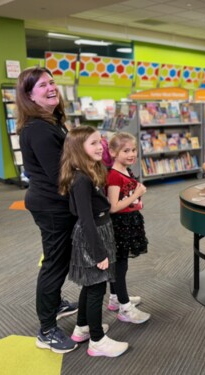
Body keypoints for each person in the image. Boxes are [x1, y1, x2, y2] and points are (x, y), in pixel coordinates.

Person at [16, 67, 79, 353]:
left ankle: (55, 304)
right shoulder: (39, 129)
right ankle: (47, 329)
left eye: (52, 82)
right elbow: (60, 173)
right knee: (55, 262)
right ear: (29, 95)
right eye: (42, 85)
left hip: (56, 201)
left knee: (59, 259)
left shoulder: (52, 121)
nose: (51, 87)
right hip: (52, 205)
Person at [59, 126, 129, 357]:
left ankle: (82, 328)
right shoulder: (81, 179)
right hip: (93, 237)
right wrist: (99, 254)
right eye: (93, 143)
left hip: (99, 230)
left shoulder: (88, 171)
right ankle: (97, 341)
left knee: (90, 285)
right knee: (97, 287)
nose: (100, 146)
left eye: (101, 141)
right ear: (79, 149)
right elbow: (85, 219)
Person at [105, 132, 151, 324]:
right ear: (113, 152)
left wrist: (135, 199)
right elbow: (113, 206)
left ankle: (116, 298)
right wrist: (137, 194)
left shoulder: (125, 170)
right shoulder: (114, 176)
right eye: (126, 150)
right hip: (120, 226)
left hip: (130, 222)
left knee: (121, 263)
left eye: (133, 150)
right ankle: (125, 308)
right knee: (119, 266)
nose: (132, 154)